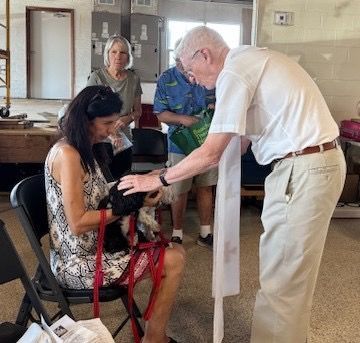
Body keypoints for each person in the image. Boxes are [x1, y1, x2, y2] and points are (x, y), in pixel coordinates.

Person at [118, 26, 346, 343]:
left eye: (189, 70)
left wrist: (155, 178)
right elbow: (234, 146)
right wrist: (178, 178)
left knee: (283, 278)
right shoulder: (250, 61)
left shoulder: (234, 73)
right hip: (308, 165)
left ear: (205, 54)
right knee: (289, 275)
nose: (192, 79)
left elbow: (212, 154)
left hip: (304, 168)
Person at [45, 85, 185, 343]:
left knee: (175, 253)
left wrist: (141, 186)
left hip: (97, 247)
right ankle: (154, 339)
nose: (113, 129)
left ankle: (154, 336)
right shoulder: (67, 154)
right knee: (173, 259)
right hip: (77, 262)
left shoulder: (82, 149)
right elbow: (77, 223)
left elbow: (98, 193)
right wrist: (124, 207)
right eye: (107, 122)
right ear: (85, 120)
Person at [153, 54, 217, 248]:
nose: (187, 65)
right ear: (176, 59)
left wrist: (215, 108)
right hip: (180, 142)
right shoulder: (167, 78)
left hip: (207, 141)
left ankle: (206, 232)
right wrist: (183, 119)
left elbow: (219, 102)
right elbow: (160, 113)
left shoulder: (208, 75)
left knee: (206, 186)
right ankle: (177, 232)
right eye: (182, 61)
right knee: (179, 189)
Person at [87, 35, 142, 180]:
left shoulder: (134, 79)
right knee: (102, 183)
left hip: (124, 143)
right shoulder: (97, 77)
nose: (118, 56)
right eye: (114, 52)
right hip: (101, 140)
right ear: (107, 54)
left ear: (128, 57)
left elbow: (138, 112)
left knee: (122, 183)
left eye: (123, 52)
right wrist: (111, 132)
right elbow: (89, 112)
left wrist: (127, 118)